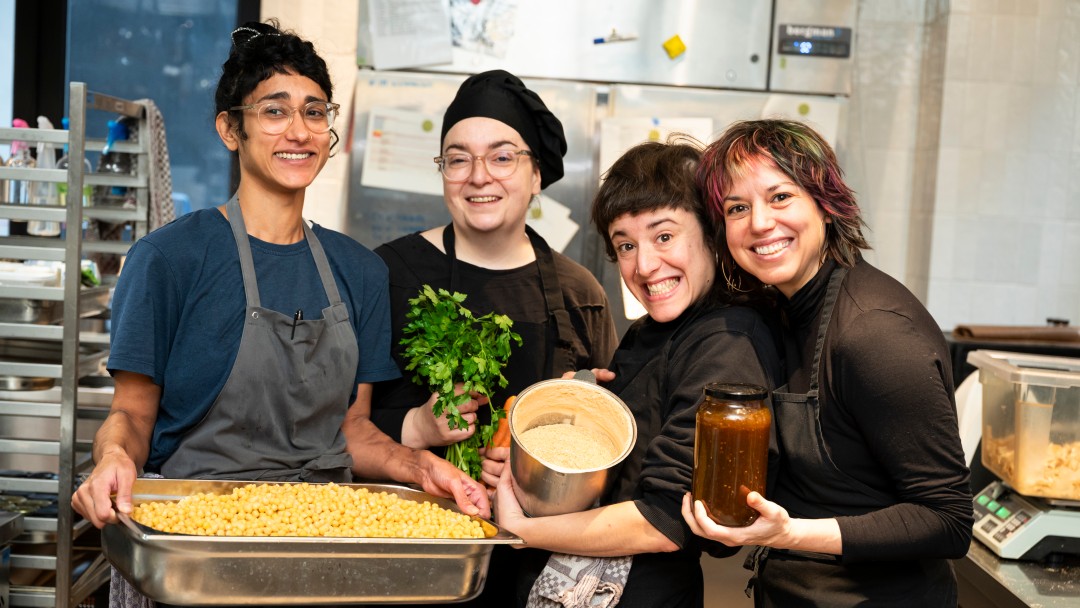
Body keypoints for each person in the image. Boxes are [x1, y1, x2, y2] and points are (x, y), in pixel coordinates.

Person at [71, 20, 488, 530]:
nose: (299, 131)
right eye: (274, 111)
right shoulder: (168, 259)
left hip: (324, 532)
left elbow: (352, 430)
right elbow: (133, 416)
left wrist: (421, 466)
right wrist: (115, 457)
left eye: (314, 113)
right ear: (230, 129)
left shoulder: (359, 270)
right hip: (195, 528)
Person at [685, 118, 973, 607]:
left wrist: (788, 533)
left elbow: (947, 519)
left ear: (825, 202)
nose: (759, 223)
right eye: (738, 207)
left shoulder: (874, 332)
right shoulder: (783, 306)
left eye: (780, 197)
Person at [490, 138, 783, 608]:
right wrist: (576, 409)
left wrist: (522, 530)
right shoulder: (652, 329)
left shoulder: (728, 340)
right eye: (626, 244)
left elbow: (663, 523)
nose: (644, 266)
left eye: (663, 236)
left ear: (710, 232)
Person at [369, 69, 618, 606]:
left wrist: (543, 464)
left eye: (502, 157)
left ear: (537, 176)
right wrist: (416, 425)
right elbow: (334, 427)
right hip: (411, 561)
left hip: (540, 572)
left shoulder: (581, 293)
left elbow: (614, 447)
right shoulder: (388, 273)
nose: (478, 176)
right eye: (458, 158)